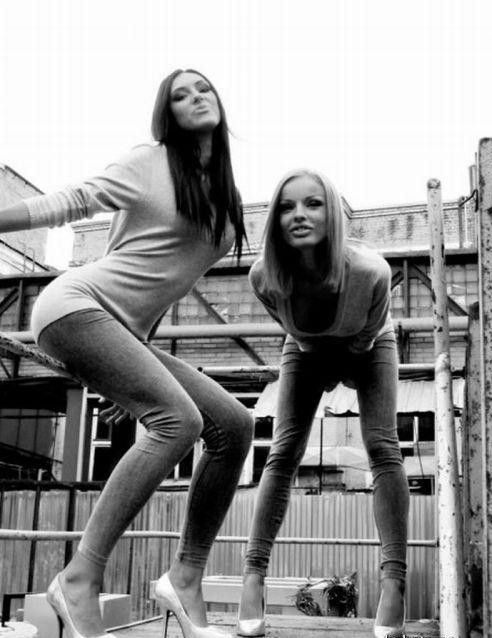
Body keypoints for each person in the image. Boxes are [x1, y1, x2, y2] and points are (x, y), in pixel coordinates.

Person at [0, 69, 254, 638]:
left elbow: (166, 283)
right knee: (178, 421)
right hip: (75, 305)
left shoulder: (224, 196)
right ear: (167, 114)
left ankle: (185, 579)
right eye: (180, 94)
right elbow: (74, 201)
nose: (195, 97)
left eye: (203, 88)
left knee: (234, 425)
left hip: (120, 330)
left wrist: (132, 356)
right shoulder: (150, 161)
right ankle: (79, 577)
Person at [236, 169, 409, 638]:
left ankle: (393, 582)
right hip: (306, 348)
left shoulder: (371, 272)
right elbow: (295, 332)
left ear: (331, 212)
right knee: (282, 452)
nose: (299, 214)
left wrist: (340, 365)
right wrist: (318, 359)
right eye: (287, 206)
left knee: (382, 447)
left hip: (368, 345)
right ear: (275, 220)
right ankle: (253, 577)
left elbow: (363, 341)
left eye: (312, 203)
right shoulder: (263, 277)